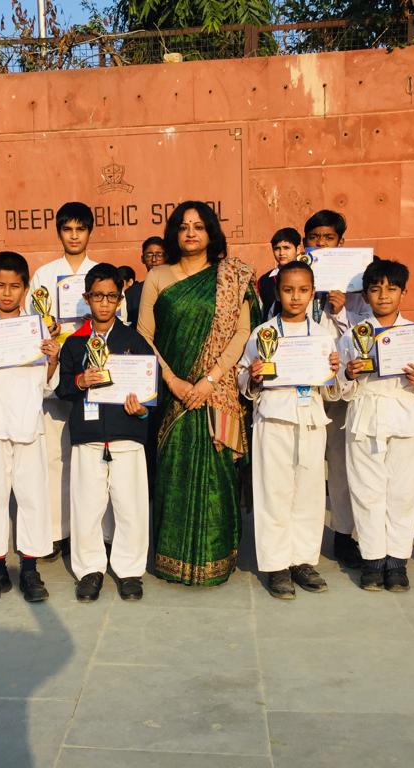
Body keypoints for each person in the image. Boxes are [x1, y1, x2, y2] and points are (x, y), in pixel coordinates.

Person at [137, 201, 260, 586]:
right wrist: (172, 380)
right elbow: (144, 335)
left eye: (199, 226)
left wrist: (210, 379)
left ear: (211, 233)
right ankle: (171, 559)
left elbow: (242, 332)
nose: (191, 233)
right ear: (174, 233)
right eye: (184, 226)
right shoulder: (158, 276)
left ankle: (216, 560)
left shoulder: (232, 276)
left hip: (216, 391)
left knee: (217, 475)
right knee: (172, 471)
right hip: (172, 393)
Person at [337, 260, 414, 592]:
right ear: (366, 295)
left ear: (403, 292)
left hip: (404, 417)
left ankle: (397, 561)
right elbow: (339, 387)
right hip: (364, 416)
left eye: (391, 288)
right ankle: (372, 560)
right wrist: (349, 375)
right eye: (375, 289)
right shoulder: (352, 335)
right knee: (366, 492)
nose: (383, 295)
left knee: (403, 493)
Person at [0, 251, 61, 604]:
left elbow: (47, 385)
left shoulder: (37, 326)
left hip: (28, 419)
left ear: (25, 288)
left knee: (33, 497)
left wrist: (53, 360)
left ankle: (30, 570)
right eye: (0, 285)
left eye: (14, 286)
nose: (7, 293)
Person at [239, 260, 342, 599]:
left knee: (309, 492)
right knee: (274, 492)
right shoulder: (263, 333)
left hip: (310, 417)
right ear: (277, 292)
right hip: (274, 417)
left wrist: (334, 372)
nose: (295, 297)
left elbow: (332, 389)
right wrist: (253, 375)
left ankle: (303, 560)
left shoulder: (324, 336)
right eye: (288, 290)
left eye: (302, 290)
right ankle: (276, 565)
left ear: (312, 293)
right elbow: (242, 376)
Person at [56, 263, 156, 602]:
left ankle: (129, 571)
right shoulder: (74, 344)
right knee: (87, 507)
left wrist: (142, 409)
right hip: (88, 435)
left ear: (120, 299)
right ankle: (90, 570)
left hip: (126, 434)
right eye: (98, 296)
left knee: (130, 506)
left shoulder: (133, 340)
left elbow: (150, 389)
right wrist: (79, 380)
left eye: (111, 296)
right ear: (87, 298)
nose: (104, 303)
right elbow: (62, 388)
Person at [29, 202, 101, 559]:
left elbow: (116, 319)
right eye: (68, 230)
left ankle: (90, 531)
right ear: (59, 232)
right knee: (55, 456)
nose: (74, 236)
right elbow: (30, 324)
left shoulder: (99, 274)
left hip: (90, 371)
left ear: (89, 232)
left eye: (80, 229)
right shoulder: (44, 275)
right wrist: (48, 329)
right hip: (56, 368)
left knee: (90, 457)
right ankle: (58, 532)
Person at [303, 209, 369, 573]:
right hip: (305, 389)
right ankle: (306, 539)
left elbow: (367, 335)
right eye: (314, 237)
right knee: (307, 466)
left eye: (328, 237)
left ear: (341, 242)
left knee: (342, 467)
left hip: (343, 389)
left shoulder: (358, 286)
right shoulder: (295, 280)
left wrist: (342, 312)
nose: (321, 243)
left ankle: (344, 535)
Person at [256, 227, 303, 320]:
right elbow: (262, 312)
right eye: (277, 249)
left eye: (286, 248)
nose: (281, 253)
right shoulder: (264, 281)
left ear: (298, 249)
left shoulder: (309, 275)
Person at [125, 236, 166, 326]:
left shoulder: (176, 288)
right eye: (149, 255)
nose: (154, 260)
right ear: (142, 259)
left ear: (166, 257)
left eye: (159, 255)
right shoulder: (132, 293)